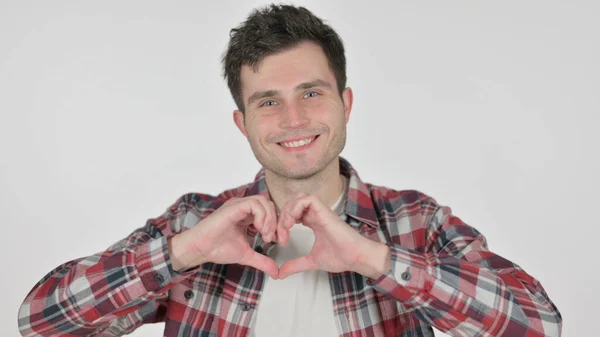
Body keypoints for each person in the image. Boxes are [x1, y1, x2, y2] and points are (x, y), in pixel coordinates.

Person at [18, 4, 562, 337]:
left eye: (311, 92)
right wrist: (182, 252)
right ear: (243, 121)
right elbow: (39, 321)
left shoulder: (414, 221)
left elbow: (538, 324)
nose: (294, 119)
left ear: (346, 103)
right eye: (269, 101)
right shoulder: (195, 222)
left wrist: (372, 259)